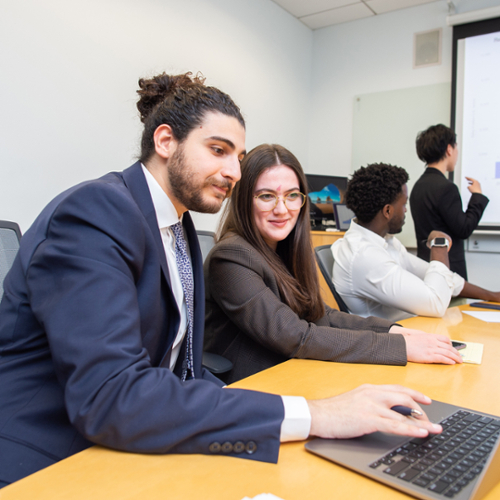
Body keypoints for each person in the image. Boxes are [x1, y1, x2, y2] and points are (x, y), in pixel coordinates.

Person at [0, 74, 444, 488]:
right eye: (218, 150)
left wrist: (298, 419)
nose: (234, 171)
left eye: (238, 156)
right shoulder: (97, 211)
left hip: (138, 435)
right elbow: (112, 394)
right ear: (166, 141)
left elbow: (182, 372)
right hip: (47, 457)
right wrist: (313, 414)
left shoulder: (179, 228)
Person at [203, 144, 462, 385]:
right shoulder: (231, 257)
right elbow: (295, 336)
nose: (282, 209)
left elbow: (322, 315)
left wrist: (395, 332)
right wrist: (400, 348)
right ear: (244, 200)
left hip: (296, 370)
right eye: (266, 196)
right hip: (255, 385)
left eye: (292, 196)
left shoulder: (283, 249)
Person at [332, 163, 500, 322]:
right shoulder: (365, 256)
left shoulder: (385, 241)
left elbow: (441, 277)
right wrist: (439, 245)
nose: (405, 210)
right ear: (388, 211)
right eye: (404, 203)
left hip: (409, 331)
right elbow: (436, 303)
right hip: (386, 343)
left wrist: (492, 296)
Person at [410, 124, 489, 280]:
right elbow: (464, 229)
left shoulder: (417, 187)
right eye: (456, 147)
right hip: (448, 272)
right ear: (449, 149)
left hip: (425, 270)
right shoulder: (446, 188)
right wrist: (477, 197)